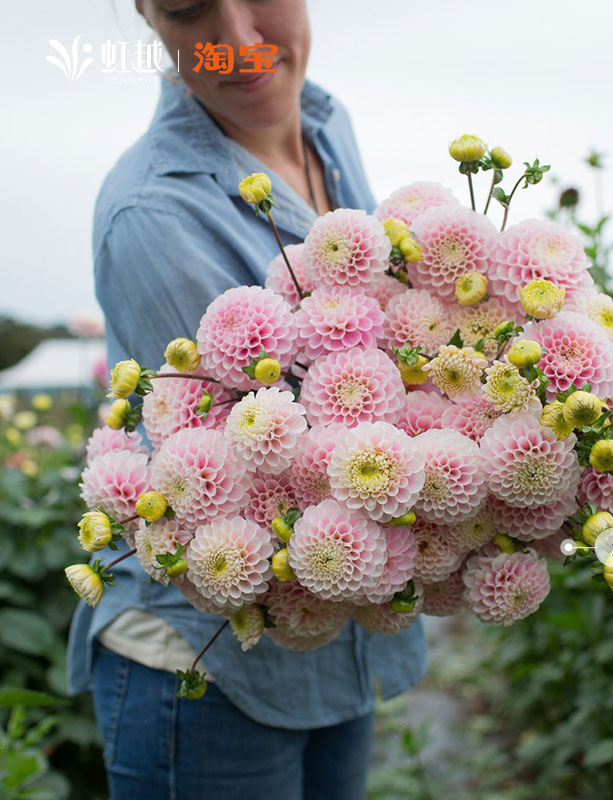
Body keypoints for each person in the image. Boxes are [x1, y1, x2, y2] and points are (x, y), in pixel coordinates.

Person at [66, 2, 427, 798]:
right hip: (211, 673)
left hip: (332, 636)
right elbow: (270, 474)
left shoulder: (327, 124)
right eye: (192, 8)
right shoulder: (152, 214)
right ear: (146, 15)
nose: (238, 42)